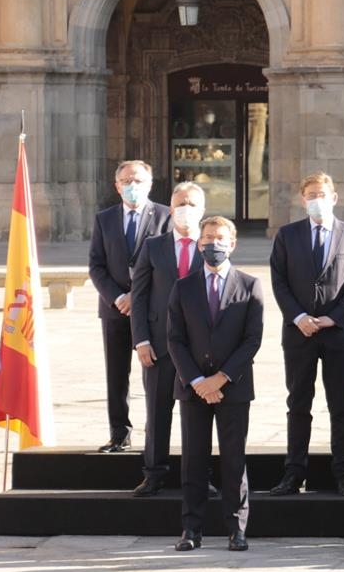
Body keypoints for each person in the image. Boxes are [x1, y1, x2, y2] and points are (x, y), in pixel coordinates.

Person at [266, 173, 344, 498]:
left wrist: (331, 318)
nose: (316, 199)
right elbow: (279, 281)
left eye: (322, 193)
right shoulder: (287, 235)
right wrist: (299, 317)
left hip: (337, 333)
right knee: (298, 404)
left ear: (334, 197)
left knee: (340, 406)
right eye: (311, 194)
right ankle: (294, 474)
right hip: (299, 333)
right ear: (302, 199)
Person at [166, 216, 262, 551]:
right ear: (198, 243)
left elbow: (251, 340)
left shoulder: (250, 285)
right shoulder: (184, 286)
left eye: (220, 238)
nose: (213, 244)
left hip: (232, 387)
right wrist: (197, 381)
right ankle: (191, 529)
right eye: (207, 238)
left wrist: (220, 379)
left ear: (232, 244)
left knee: (233, 459)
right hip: (193, 390)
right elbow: (175, 340)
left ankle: (237, 528)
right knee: (194, 459)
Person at [128, 181, 207, 497]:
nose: (185, 209)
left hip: (200, 348)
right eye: (179, 203)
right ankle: (154, 473)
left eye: (191, 203)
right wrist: (141, 340)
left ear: (202, 209)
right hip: (159, 346)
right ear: (170, 208)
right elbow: (139, 296)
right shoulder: (153, 246)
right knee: (157, 412)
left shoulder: (212, 243)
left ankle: (199, 475)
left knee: (198, 417)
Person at [87, 160, 169, 454]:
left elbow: (168, 264)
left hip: (151, 310)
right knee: (116, 374)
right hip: (114, 310)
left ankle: (155, 434)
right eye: (125, 181)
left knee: (155, 375)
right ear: (117, 185)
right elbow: (96, 265)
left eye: (138, 180)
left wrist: (137, 296)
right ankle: (119, 433)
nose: (132, 186)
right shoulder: (104, 219)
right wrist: (117, 297)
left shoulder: (165, 216)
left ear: (149, 183)